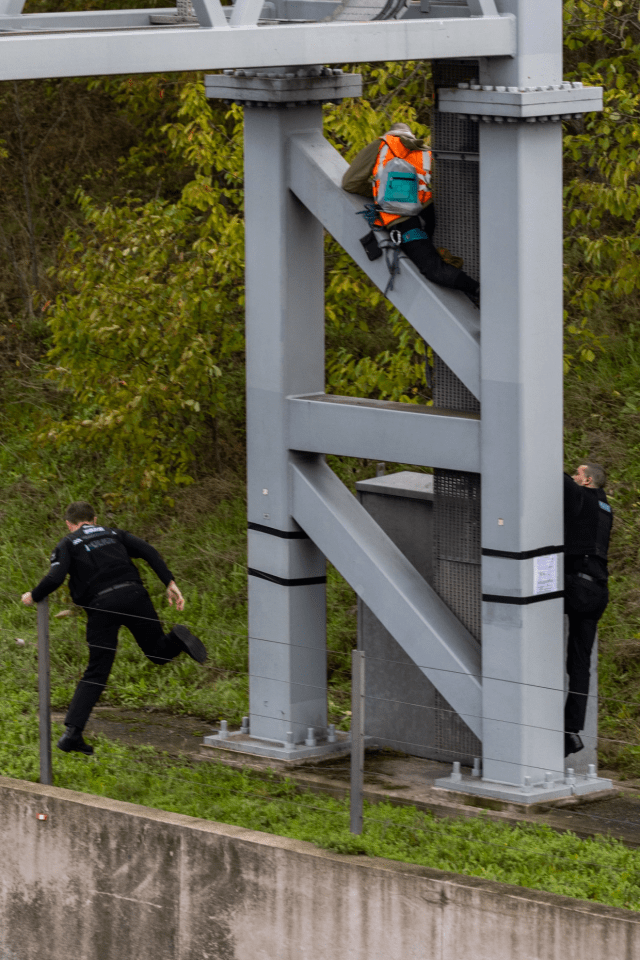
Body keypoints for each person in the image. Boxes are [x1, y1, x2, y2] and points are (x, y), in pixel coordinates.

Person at [21, 501, 207, 756]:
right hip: (134, 595)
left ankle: (72, 733)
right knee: (157, 652)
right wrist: (169, 582)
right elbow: (149, 551)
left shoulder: (68, 543)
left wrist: (34, 595)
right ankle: (176, 637)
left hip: (101, 606)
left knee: (97, 670)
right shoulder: (114, 533)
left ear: (69, 523)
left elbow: (55, 577)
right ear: (94, 519)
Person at [342, 122, 480, 301]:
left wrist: (380, 194)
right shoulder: (426, 152)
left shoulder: (380, 145)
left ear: (391, 133)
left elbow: (349, 183)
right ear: (411, 136)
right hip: (428, 216)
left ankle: (477, 290)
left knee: (432, 267)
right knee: (433, 253)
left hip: (402, 221)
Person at [564, 463, 613, 757]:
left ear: (588, 480)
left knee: (531, 586)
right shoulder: (605, 507)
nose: (573, 476)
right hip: (598, 592)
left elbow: (552, 473)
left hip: (577, 588)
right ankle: (571, 730)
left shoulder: (583, 495)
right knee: (579, 665)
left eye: (577, 474)